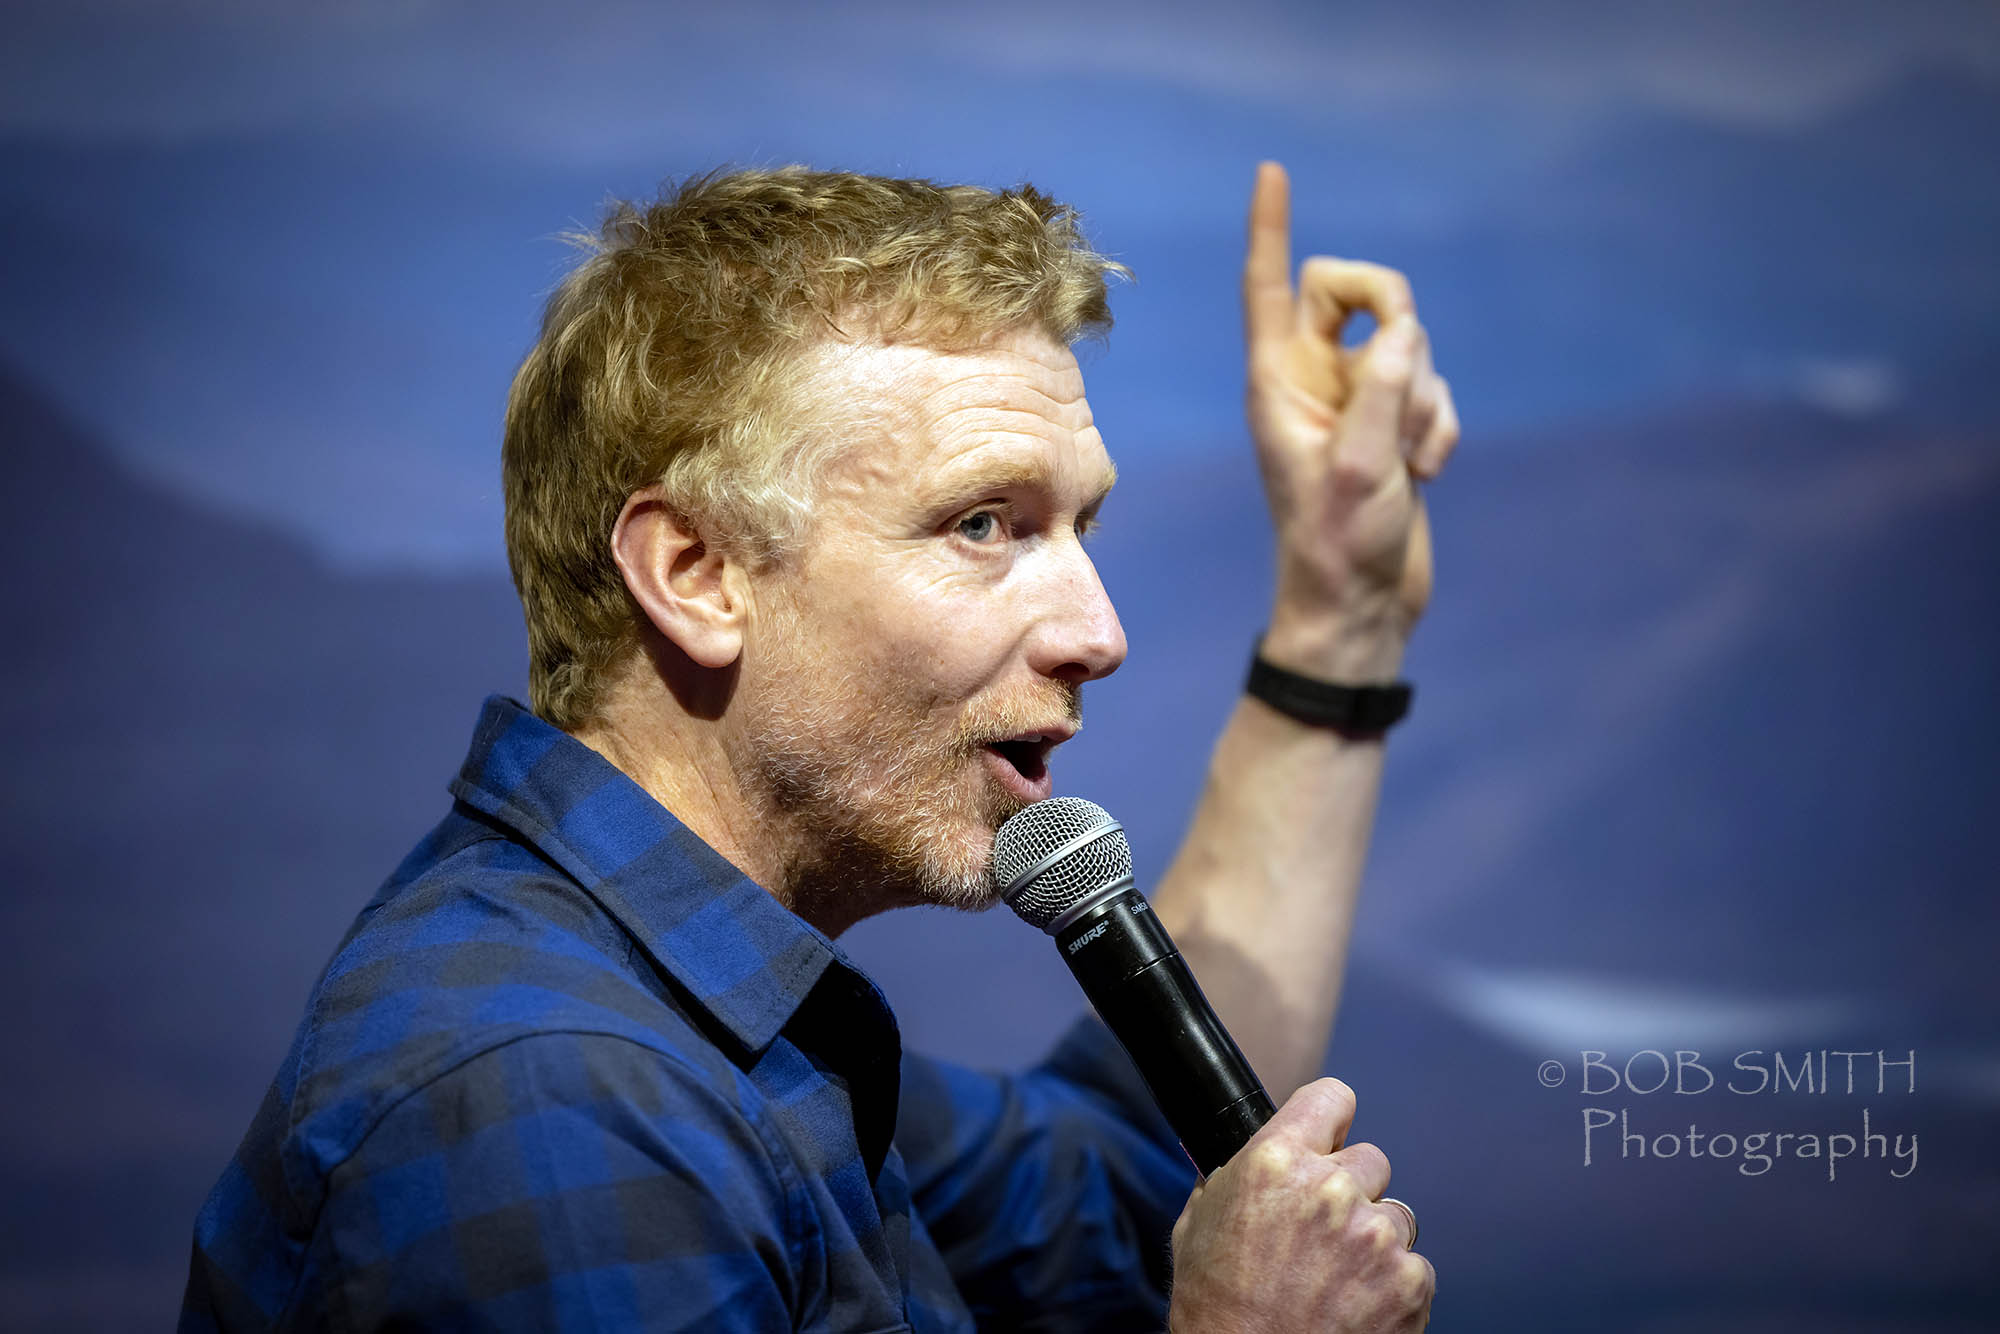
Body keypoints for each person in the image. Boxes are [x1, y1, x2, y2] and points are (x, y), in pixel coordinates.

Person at [181, 160, 1457, 1332]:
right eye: (980, 524)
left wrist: (1338, 613)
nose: (1095, 631)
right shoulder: (550, 1104)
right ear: (695, 572)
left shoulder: (700, 1012)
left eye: (1081, 529)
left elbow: (1126, 1185)